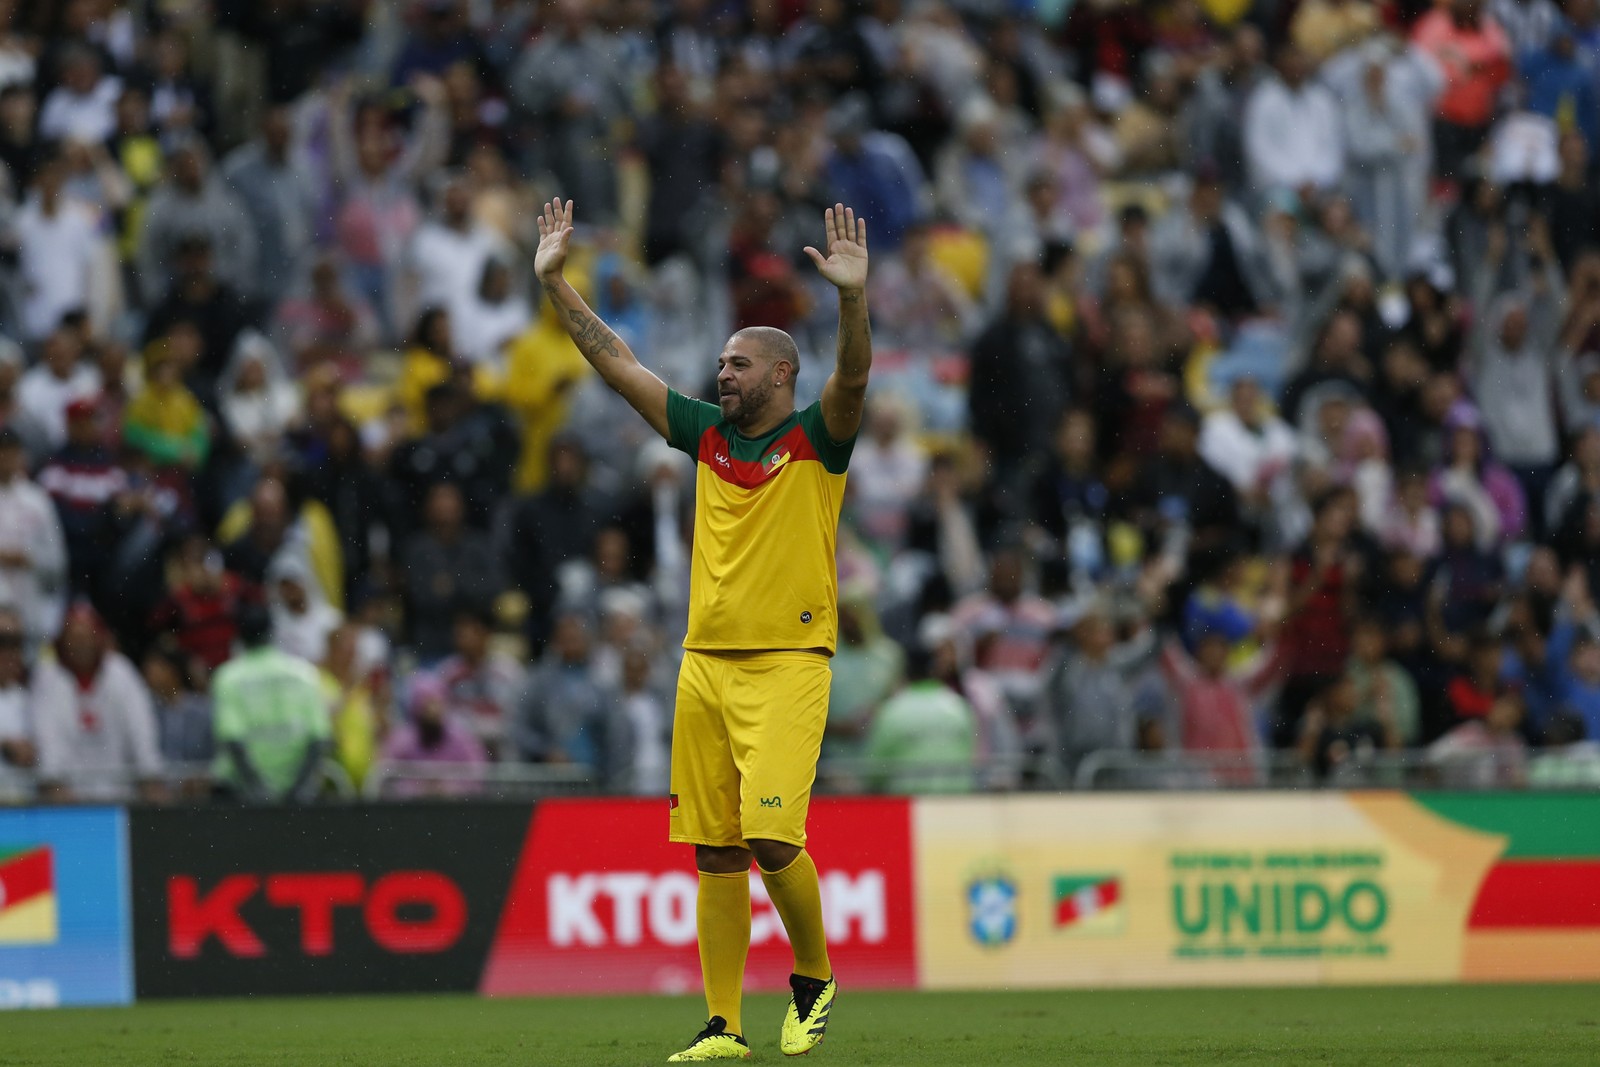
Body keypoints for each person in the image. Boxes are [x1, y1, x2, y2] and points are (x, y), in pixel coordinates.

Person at [534, 197, 869, 1059]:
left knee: (770, 836)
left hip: (789, 663)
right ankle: (724, 1024)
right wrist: (557, 285)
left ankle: (816, 974)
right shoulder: (707, 437)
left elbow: (856, 379)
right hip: (704, 666)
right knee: (716, 854)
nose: (722, 374)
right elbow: (619, 366)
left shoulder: (818, 440)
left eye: (738, 363)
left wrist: (852, 301)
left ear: (781, 375)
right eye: (721, 362)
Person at [210, 601, 331, 804]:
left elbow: (233, 740)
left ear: (238, 635)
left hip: (242, 797)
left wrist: (259, 792)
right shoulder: (304, 673)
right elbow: (319, 738)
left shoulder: (228, 677)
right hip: (298, 797)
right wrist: (297, 791)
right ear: (272, 632)